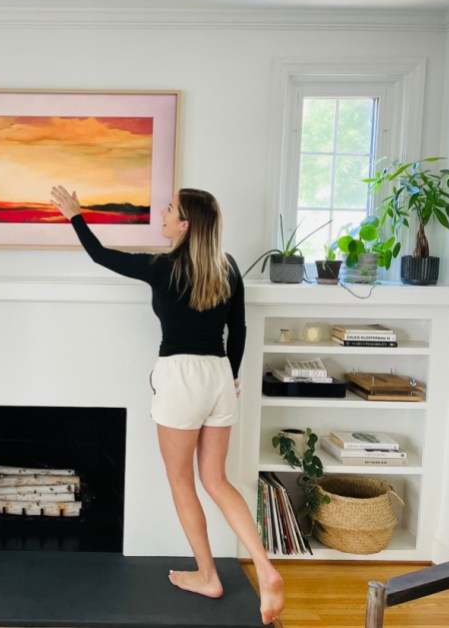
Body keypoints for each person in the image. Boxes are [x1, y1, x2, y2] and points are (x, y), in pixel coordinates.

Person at [49, 185, 284, 626]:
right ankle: (266, 568)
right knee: (217, 480)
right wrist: (229, 377)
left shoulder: (163, 267)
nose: (163, 211)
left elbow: (101, 255)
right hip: (217, 376)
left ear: (185, 224)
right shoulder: (227, 267)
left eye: (170, 209)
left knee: (182, 482)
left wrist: (75, 215)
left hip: (180, 377)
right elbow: (240, 330)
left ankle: (209, 575)